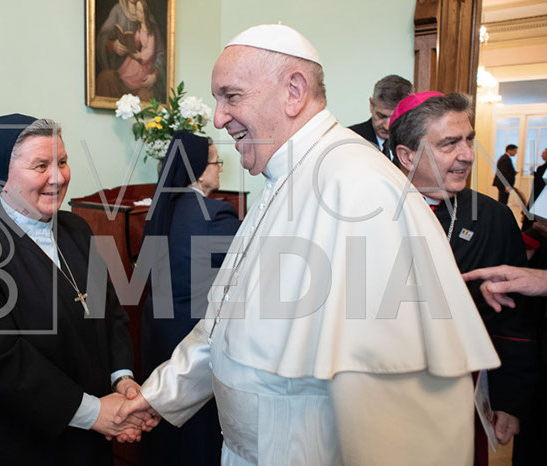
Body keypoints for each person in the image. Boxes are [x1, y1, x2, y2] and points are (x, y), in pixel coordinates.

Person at [114, 24, 500, 465]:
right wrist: (159, 395)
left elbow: (398, 406)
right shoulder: (285, 178)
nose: (218, 118)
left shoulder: (360, 189)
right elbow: (224, 323)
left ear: (294, 91)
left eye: (232, 96)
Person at [0, 115, 144, 465]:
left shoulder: (77, 229)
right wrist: (96, 412)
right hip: (8, 441)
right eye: (41, 166)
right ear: (2, 177)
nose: (58, 177)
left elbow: (110, 311)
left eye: (62, 162)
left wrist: (122, 380)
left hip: (86, 433)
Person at [389, 92, 538, 453]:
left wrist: (509, 397)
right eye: (449, 144)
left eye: (469, 140)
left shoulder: (494, 218)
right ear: (407, 156)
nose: (468, 154)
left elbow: (512, 319)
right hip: (384, 387)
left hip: (463, 388)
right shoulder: (368, 212)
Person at [141, 131, 240, 465]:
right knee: (196, 434)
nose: (220, 168)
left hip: (158, 333)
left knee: (164, 428)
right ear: (198, 170)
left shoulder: (161, 209)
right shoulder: (215, 214)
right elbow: (248, 266)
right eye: (216, 162)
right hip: (192, 339)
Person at [96, 0, 166, 100]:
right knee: (105, 78)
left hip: (142, 78)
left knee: (147, 97)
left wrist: (154, 76)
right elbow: (102, 38)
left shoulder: (148, 19)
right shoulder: (117, 11)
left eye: (140, 11)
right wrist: (113, 45)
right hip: (120, 77)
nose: (138, 14)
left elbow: (160, 52)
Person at [348, 74, 413, 165]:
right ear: (371, 105)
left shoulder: (415, 142)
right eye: (381, 116)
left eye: (395, 118)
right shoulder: (350, 139)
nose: (387, 126)